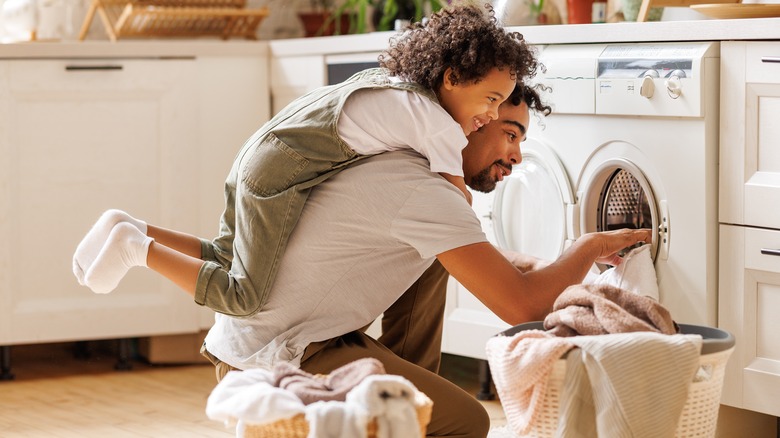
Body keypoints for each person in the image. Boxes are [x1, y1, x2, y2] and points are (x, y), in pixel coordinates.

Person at [71, 3, 540, 318]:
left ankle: (132, 224)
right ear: (453, 77)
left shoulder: (400, 89)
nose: (491, 115)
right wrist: (503, 263)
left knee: (225, 254)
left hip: (258, 157)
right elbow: (456, 209)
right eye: (492, 100)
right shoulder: (435, 125)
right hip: (279, 175)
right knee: (244, 297)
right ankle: (137, 248)